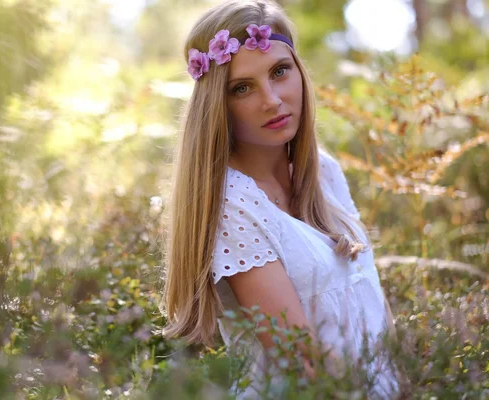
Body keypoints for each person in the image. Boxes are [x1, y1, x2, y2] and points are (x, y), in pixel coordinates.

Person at [159, 0, 401, 398]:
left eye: (279, 71)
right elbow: (303, 362)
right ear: (216, 104)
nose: (271, 99)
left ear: (299, 72)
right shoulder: (232, 207)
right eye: (242, 88)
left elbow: (371, 301)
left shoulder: (324, 171)